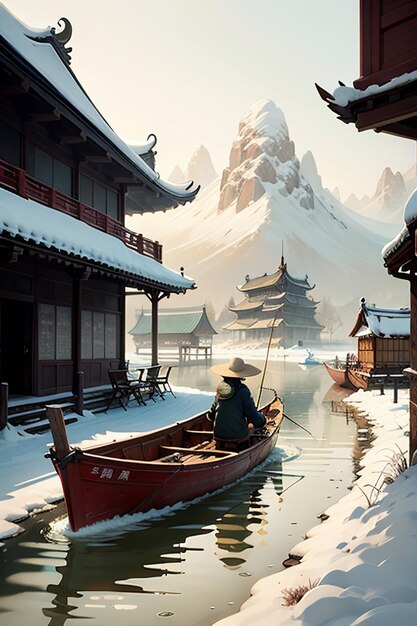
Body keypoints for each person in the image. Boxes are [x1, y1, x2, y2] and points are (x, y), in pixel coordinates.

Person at [209, 356, 266, 445]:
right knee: (252, 427)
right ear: (241, 376)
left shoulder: (220, 388)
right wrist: (263, 419)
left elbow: (210, 416)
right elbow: (254, 418)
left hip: (218, 435)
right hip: (237, 436)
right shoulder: (243, 391)